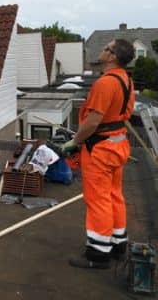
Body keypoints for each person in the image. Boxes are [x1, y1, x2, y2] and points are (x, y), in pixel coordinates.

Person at [61, 38, 135, 269]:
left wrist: (75, 141)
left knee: (98, 199)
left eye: (106, 48)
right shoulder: (126, 80)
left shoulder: (105, 83)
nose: (102, 50)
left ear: (112, 56)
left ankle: (98, 253)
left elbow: (93, 121)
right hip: (118, 145)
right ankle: (118, 243)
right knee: (114, 194)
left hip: (101, 149)